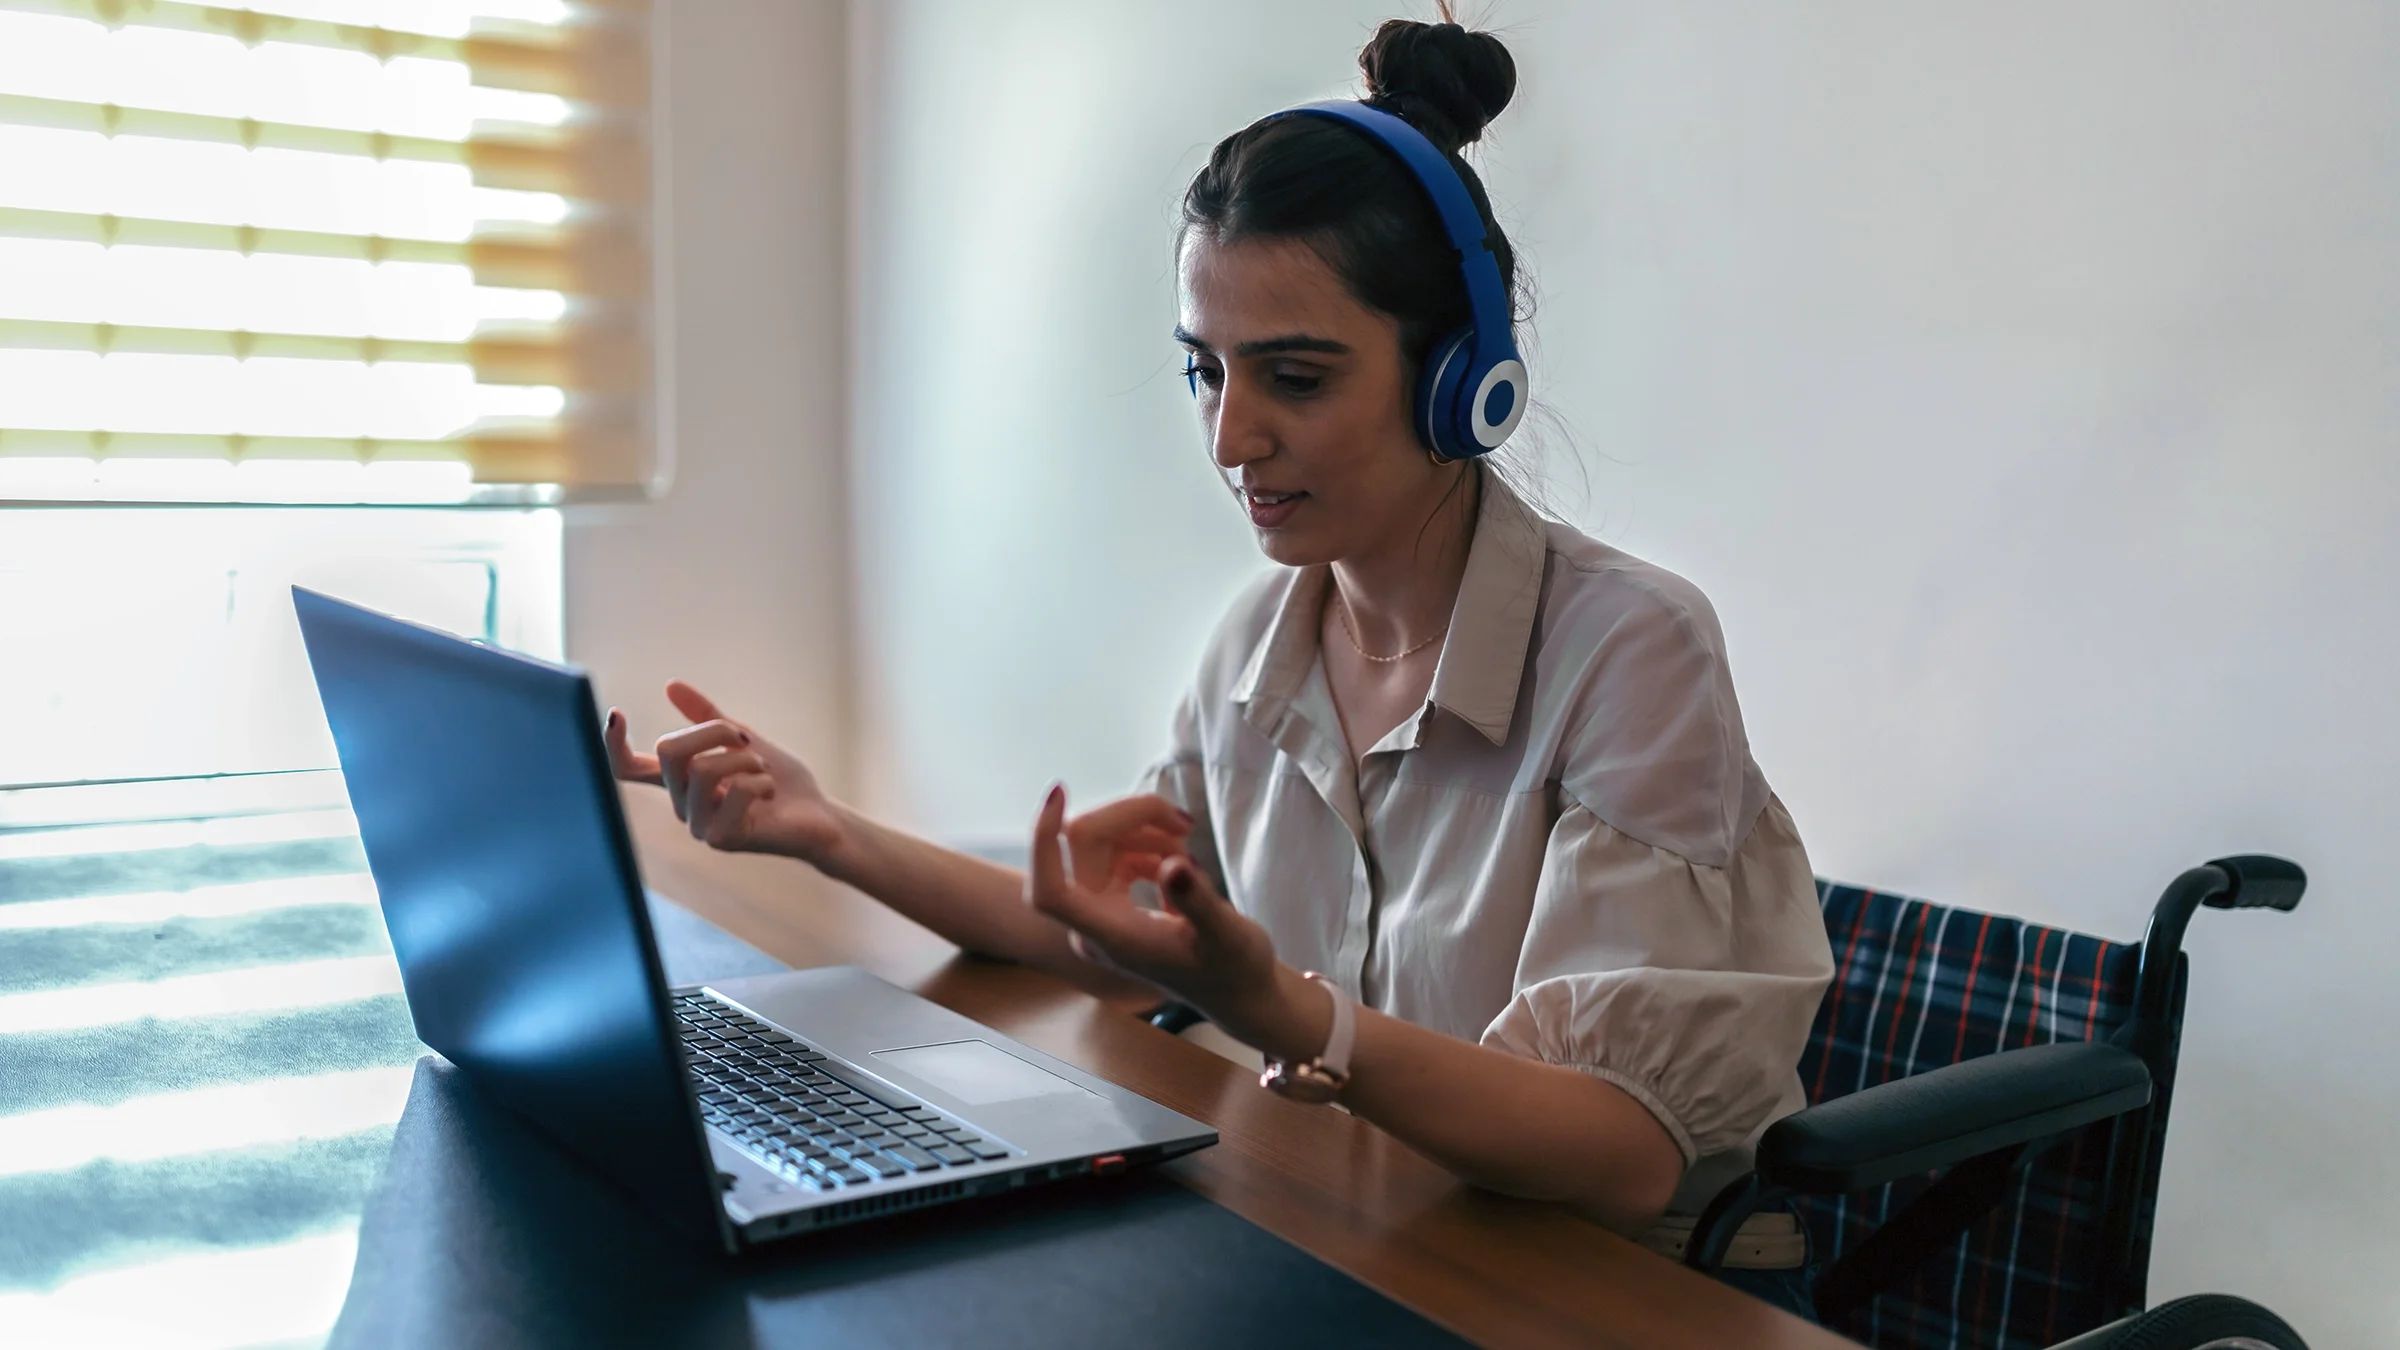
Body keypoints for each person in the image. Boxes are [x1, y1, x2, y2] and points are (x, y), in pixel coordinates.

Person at [606, 9, 1834, 1320]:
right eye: (1205, 370)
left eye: (1295, 377)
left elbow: (1620, 1148)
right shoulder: (1261, 640)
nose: (1231, 437)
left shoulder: (1629, 648)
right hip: (1360, 1233)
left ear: (1462, 382)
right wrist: (820, 827)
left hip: (1597, 1296)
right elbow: (1124, 944)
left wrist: (1295, 1015)